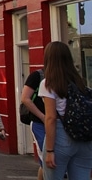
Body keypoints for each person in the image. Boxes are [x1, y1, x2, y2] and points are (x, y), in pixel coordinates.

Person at [38, 41, 92, 179]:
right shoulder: (79, 81)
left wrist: (50, 150)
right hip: (84, 139)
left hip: (61, 135)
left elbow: (51, 118)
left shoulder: (48, 83)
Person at [20, 68, 45, 180]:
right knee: (46, 159)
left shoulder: (67, 75)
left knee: (47, 163)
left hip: (59, 124)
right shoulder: (37, 76)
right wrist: (42, 116)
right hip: (39, 123)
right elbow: (25, 98)